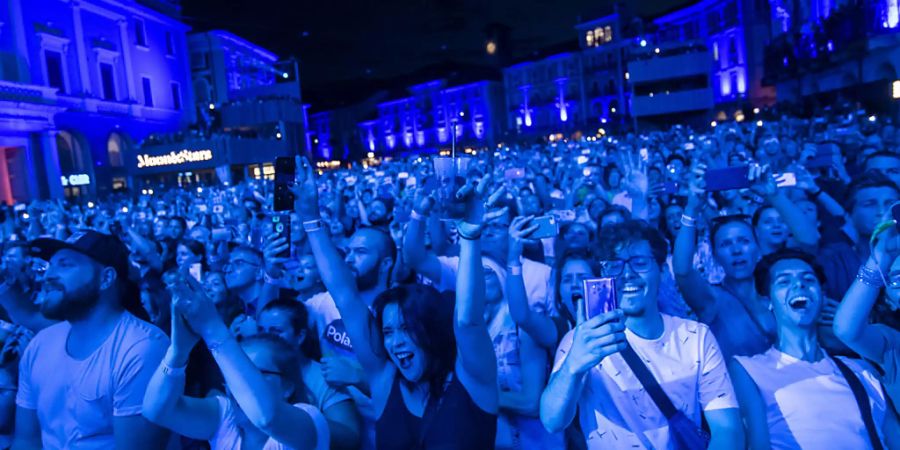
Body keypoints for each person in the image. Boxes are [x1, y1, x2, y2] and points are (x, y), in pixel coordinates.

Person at [294, 156, 498, 448]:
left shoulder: (473, 380)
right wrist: (310, 219)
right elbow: (344, 294)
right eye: (388, 332)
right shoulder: (385, 379)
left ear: (433, 329)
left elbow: (468, 321)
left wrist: (470, 236)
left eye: (407, 328)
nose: (395, 343)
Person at [541, 220, 742, 449]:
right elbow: (552, 421)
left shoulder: (696, 337)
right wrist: (573, 367)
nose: (627, 274)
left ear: (663, 271)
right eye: (615, 265)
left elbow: (727, 429)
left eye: (639, 263)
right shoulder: (583, 340)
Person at [14, 231, 169, 449]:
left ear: (106, 278)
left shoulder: (142, 347)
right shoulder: (41, 344)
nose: (48, 275)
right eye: (50, 265)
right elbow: (26, 440)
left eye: (65, 265)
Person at [730, 249, 899, 449]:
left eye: (809, 280)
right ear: (767, 301)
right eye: (784, 281)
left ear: (822, 295)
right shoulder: (749, 369)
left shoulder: (860, 370)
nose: (799, 285)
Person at [142, 277, 330, 450]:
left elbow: (267, 417)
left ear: (287, 386)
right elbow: (156, 411)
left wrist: (212, 328)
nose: (237, 384)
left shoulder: (311, 420)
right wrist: (177, 352)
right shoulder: (225, 418)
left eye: (254, 373)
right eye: (233, 374)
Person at [673, 164, 776, 358]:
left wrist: (772, 195)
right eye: (726, 244)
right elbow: (682, 271)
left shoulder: (777, 297)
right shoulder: (712, 299)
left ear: (758, 250)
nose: (736, 250)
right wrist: (692, 208)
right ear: (715, 256)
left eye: (744, 241)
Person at [257, 300, 362, 450]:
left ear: (300, 336)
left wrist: (298, 418)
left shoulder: (324, 377)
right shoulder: (252, 372)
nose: (266, 337)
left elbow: (351, 438)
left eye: (276, 331)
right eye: (261, 330)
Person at [833, 213, 900, 408]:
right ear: (890, 302)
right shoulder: (892, 343)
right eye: (897, 281)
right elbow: (847, 330)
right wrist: (880, 257)